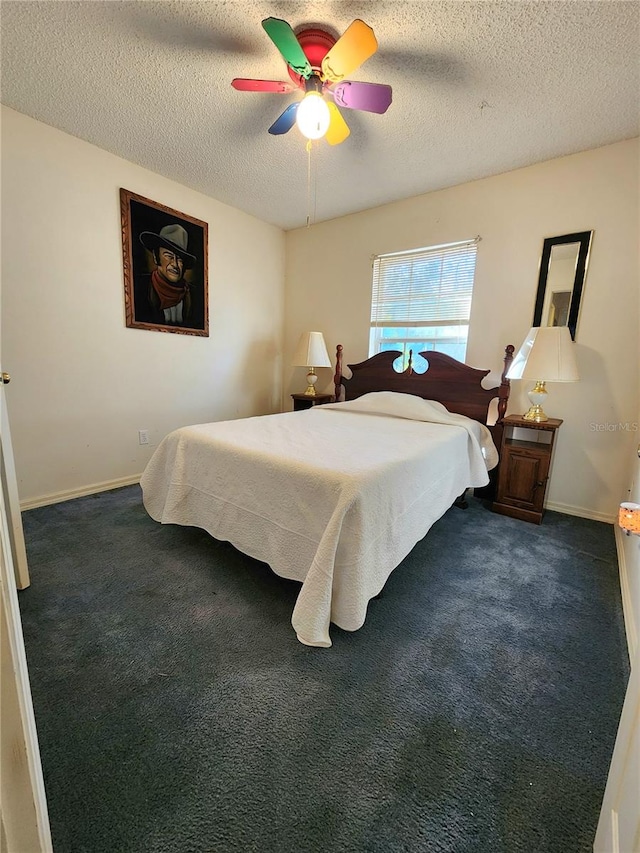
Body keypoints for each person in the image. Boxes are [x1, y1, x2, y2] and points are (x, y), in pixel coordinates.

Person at [136, 223, 197, 326]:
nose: (175, 264)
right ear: (156, 257)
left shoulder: (195, 295)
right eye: (168, 256)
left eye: (180, 259)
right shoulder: (139, 288)